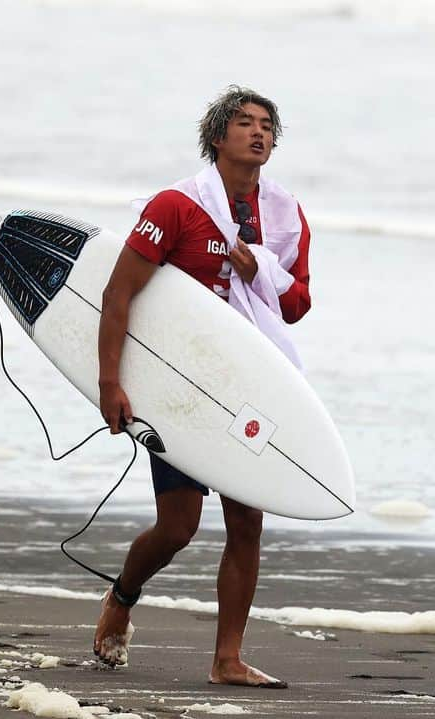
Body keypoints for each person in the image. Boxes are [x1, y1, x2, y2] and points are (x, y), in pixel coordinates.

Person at [92, 86, 311, 688]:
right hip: (181, 388)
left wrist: (257, 269)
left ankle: (227, 660)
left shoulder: (286, 216)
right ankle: (123, 595)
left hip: (248, 385)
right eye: (245, 123)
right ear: (218, 137)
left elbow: (297, 305)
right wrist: (110, 382)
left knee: (247, 522)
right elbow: (119, 293)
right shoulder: (177, 207)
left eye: (267, 124)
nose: (259, 132)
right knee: (178, 527)